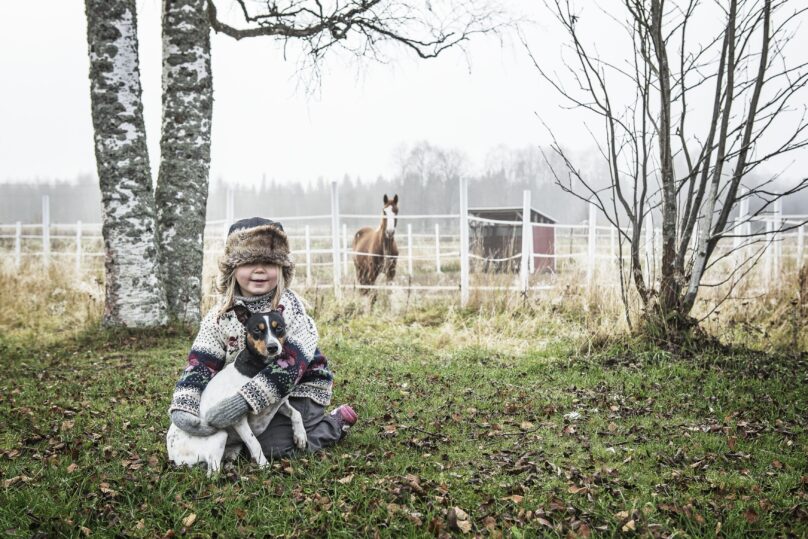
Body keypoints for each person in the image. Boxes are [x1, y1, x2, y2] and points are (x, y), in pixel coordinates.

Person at [168, 217, 357, 458]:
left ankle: (334, 424)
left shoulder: (290, 310)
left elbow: (288, 367)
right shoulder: (219, 317)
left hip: (299, 391)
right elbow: (200, 364)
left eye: (268, 262)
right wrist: (186, 403)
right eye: (248, 262)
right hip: (246, 394)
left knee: (272, 448)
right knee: (225, 438)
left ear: (281, 268)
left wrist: (242, 403)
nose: (259, 270)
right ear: (232, 268)